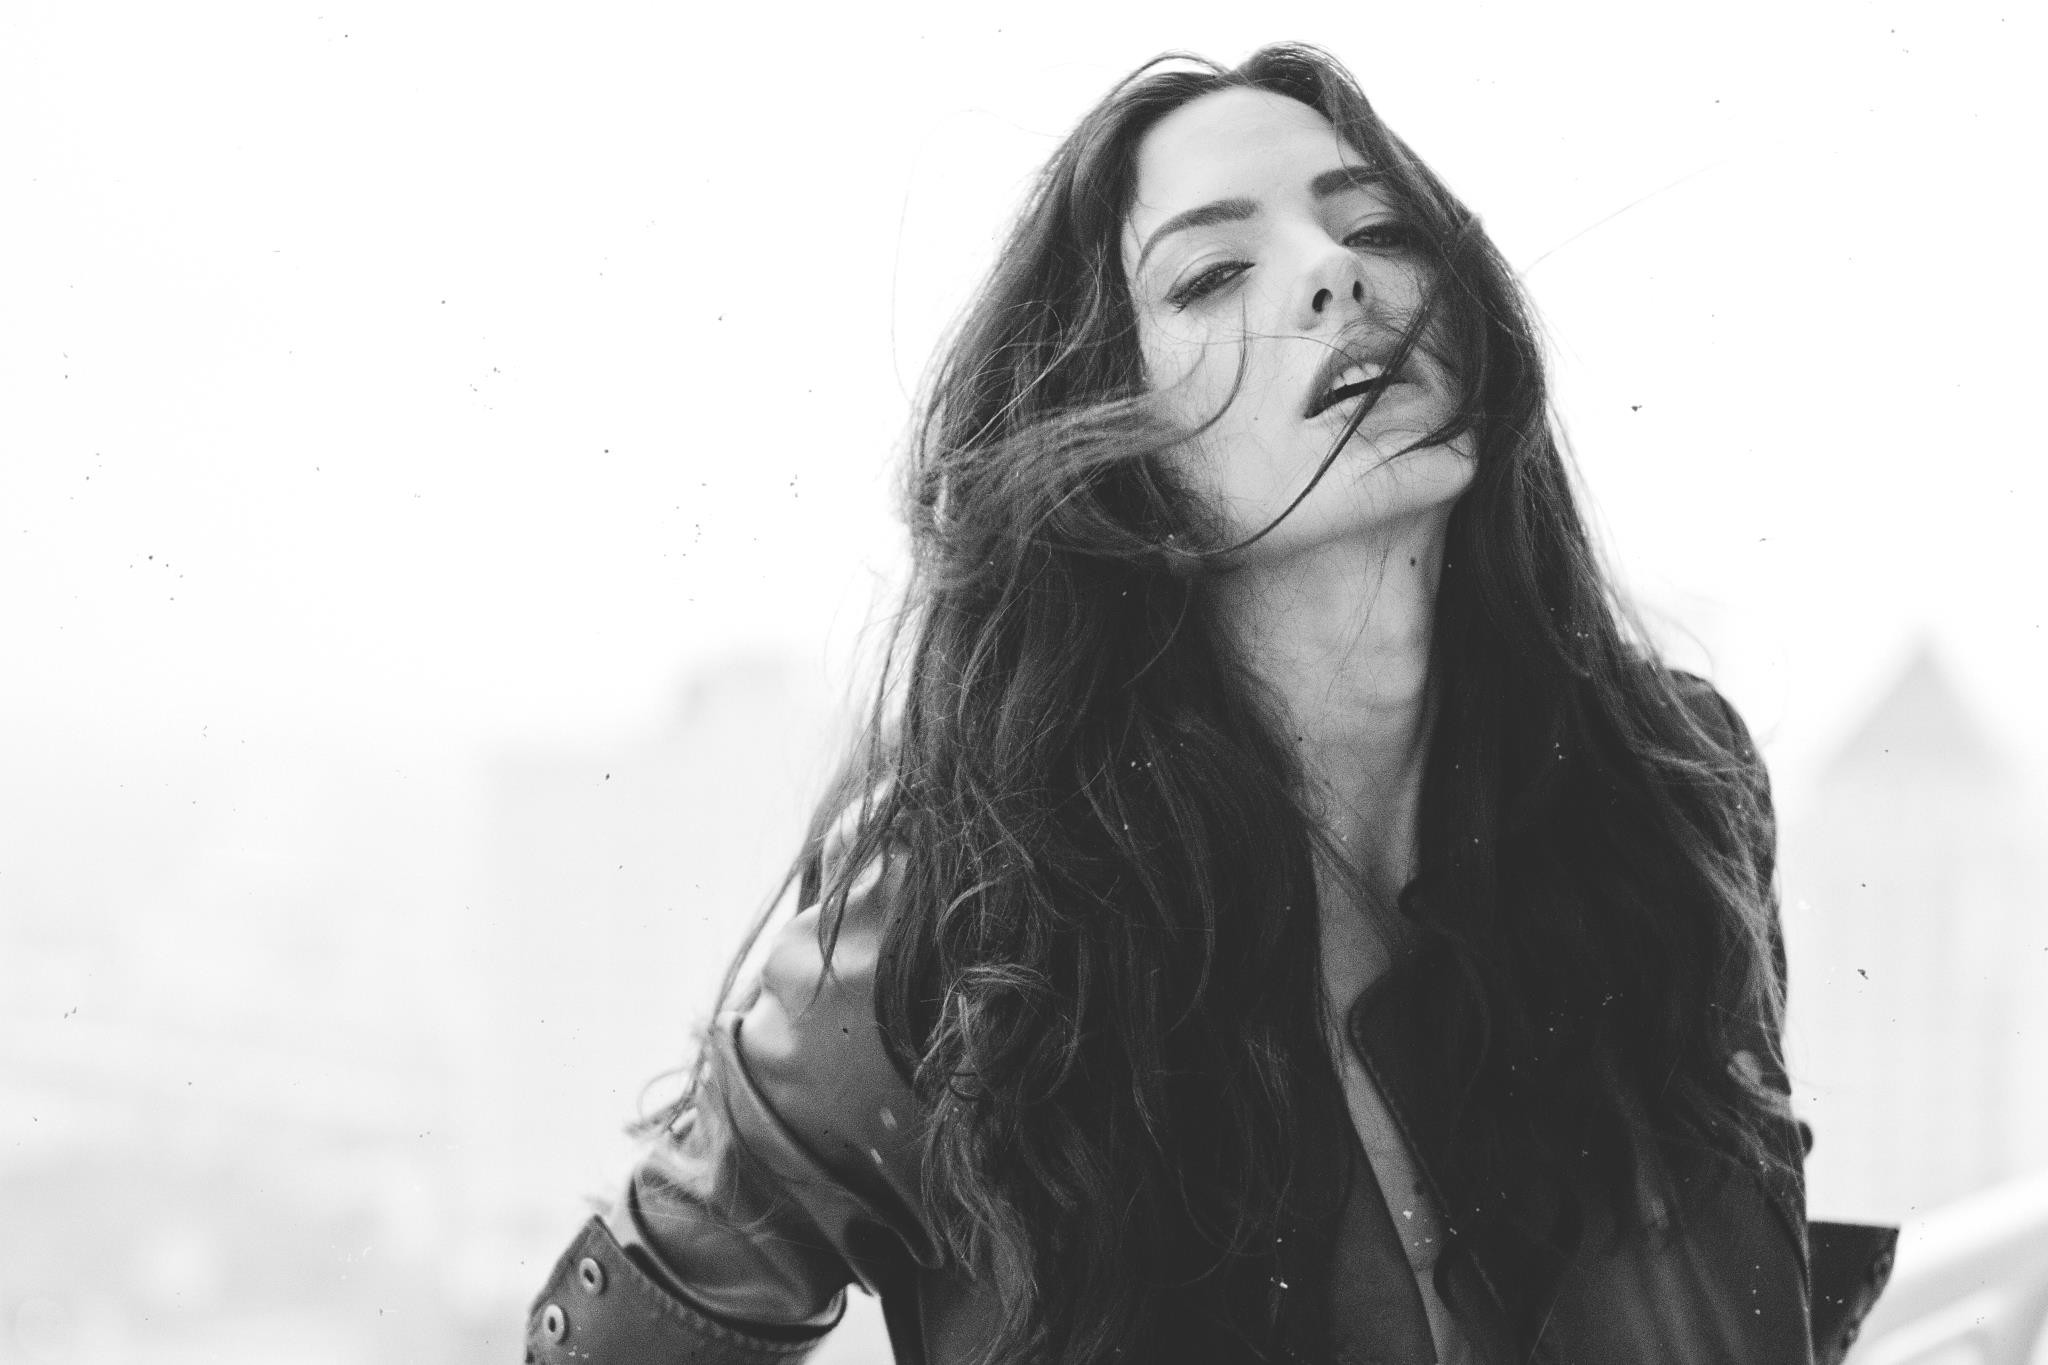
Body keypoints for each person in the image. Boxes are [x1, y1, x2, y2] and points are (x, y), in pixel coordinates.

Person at [524, 43, 1896, 1365]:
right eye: (1212, 274)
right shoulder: (961, 908)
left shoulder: (1664, 786)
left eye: (1379, 228)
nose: (1336, 274)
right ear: (1115, 442)